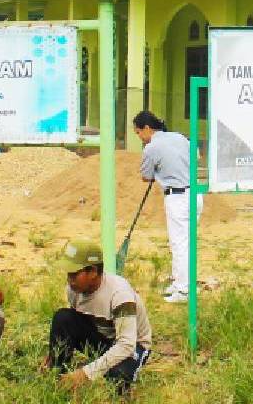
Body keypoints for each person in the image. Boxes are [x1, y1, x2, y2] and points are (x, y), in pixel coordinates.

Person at [44, 237, 152, 394]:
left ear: (93, 271)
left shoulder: (120, 295)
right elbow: (72, 323)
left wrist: (85, 373)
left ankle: (125, 391)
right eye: (68, 273)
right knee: (63, 317)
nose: (70, 279)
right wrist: (54, 353)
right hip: (103, 337)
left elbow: (126, 345)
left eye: (74, 274)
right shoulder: (74, 290)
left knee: (118, 376)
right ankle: (58, 377)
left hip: (133, 345)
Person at [134, 110, 202, 304]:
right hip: (195, 194)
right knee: (187, 242)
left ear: (147, 128)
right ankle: (181, 282)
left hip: (177, 196)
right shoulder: (179, 137)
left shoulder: (151, 148)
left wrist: (161, 169)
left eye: (138, 132)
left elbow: (146, 176)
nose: (139, 137)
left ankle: (182, 291)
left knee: (179, 243)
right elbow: (196, 156)